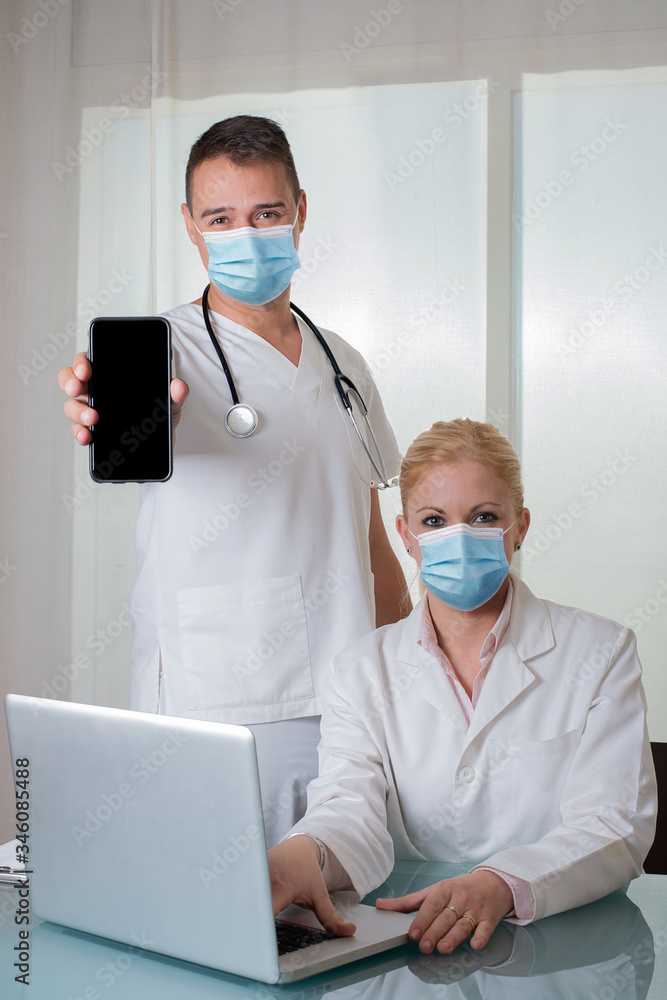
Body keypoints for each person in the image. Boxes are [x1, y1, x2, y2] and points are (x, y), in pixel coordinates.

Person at [57, 115, 409, 845]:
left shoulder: (341, 361)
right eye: (220, 218)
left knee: (342, 902)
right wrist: (106, 412)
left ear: (300, 212)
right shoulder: (167, 352)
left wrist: (410, 668)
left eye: (266, 213)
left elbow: (369, 532)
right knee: (219, 894)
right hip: (221, 701)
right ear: (190, 226)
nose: (245, 235)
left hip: (352, 701)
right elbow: (122, 430)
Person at [269, 418, 657, 953]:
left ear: (520, 527)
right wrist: (307, 849)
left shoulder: (601, 651)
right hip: (408, 944)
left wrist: (502, 883)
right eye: (434, 520)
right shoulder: (360, 669)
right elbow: (350, 808)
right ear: (406, 537)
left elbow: (614, 825)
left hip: (556, 947)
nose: (459, 538)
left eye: (483, 517)